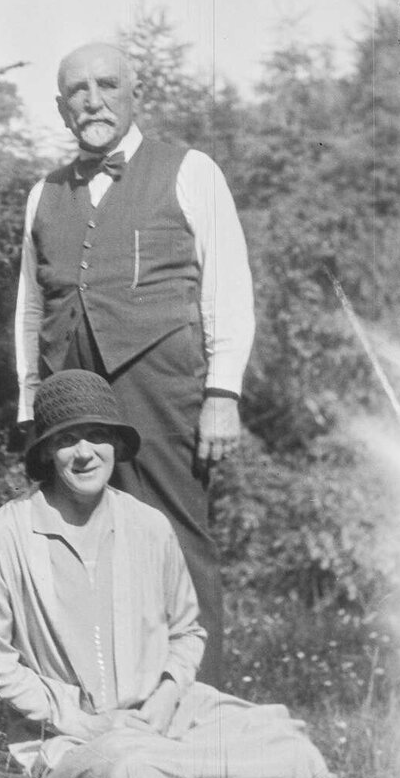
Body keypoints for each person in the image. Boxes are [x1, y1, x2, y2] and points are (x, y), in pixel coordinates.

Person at [0, 372, 327, 778]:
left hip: (167, 714)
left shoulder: (149, 525)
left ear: (116, 445)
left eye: (97, 435)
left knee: (295, 751)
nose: (85, 453)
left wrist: (164, 698)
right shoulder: (5, 534)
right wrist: (80, 721)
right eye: (67, 439)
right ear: (45, 452)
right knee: (132, 773)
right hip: (69, 736)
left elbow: (187, 631)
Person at [14, 40, 255, 687]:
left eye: (107, 85)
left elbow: (227, 285)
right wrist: (28, 400)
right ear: (61, 108)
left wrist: (222, 393)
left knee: (176, 538)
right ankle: (106, 704)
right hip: (70, 394)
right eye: (78, 90)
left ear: (133, 94)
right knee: (83, 544)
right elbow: (30, 307)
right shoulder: (42, 194)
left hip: (161, 386)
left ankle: (198, 707)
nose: (92, 100)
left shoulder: (190, 171)